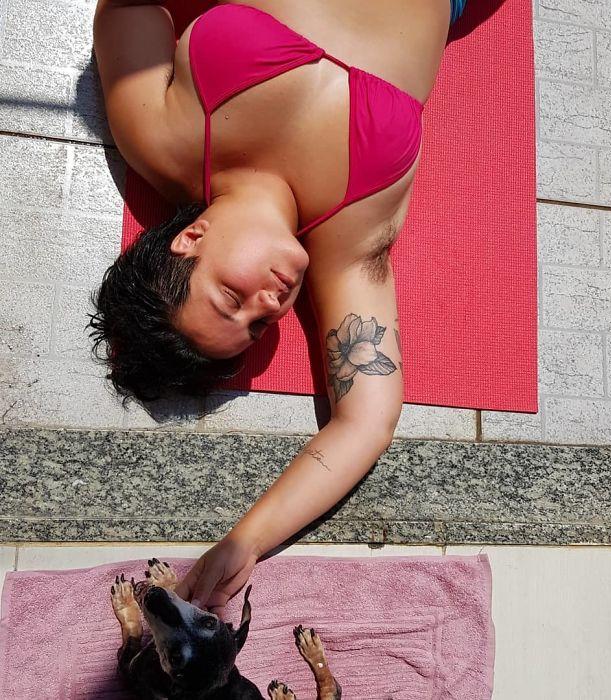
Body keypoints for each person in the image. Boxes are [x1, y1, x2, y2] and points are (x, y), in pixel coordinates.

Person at [90, 0, 468, 616]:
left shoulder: (160, 139)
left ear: (191, 239)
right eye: (258, 325)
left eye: (230, 298)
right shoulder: (344, 245)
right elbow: (365, 421)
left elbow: (124, 8)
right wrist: (247, 539)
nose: (268, 303)